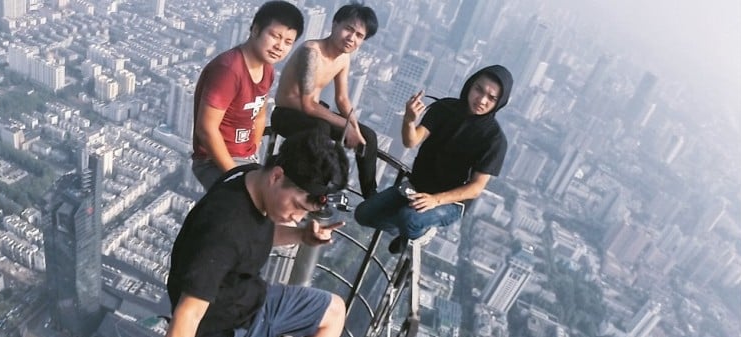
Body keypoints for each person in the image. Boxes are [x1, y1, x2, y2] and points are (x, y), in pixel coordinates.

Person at [152, 128, 353, 337]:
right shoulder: (224, 230)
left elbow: (256, 234)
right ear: (277, 176)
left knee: (333, 310)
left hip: (251, 296)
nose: (298, 216)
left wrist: (302, 237)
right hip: (225, 329)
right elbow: (187, 315)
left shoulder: (249, 178)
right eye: (298, 206)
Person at [354, 65, 513, 254]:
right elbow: (410, 140)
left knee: (409, 217)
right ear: (470, 85)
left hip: (450, 203)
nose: (482, 100)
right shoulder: (444, 108)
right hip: (417, 186)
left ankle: (420, 232)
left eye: (492, 98)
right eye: (479, 90)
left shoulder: (494, 140)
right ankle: (408, 231)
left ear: (499, 102)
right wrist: (409, 120)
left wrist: (435, 200)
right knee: (363, 214)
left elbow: (476, 188)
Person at [271, 1, 380, 198]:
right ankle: (311, 189)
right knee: (321, 129)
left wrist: (355, 129)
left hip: (313, 114)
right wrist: (347, 128)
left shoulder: (343, 58)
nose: (351, 38)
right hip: (286, 114)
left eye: (359, 36)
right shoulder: (311, 52)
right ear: (335, 24)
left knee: (369, 136)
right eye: (349, 29)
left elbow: (342, 99)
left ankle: (371, 195)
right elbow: (307, 104)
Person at [191, 1, 304, 190]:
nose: (279, 46)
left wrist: (253, 149)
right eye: (275, 36)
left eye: (288, 42)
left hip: (246, 157)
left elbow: (259, 113)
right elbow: (206, 129)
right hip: (214, 160)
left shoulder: (267, 69)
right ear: (255, 29)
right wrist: (236, 176)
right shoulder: (229, 69)